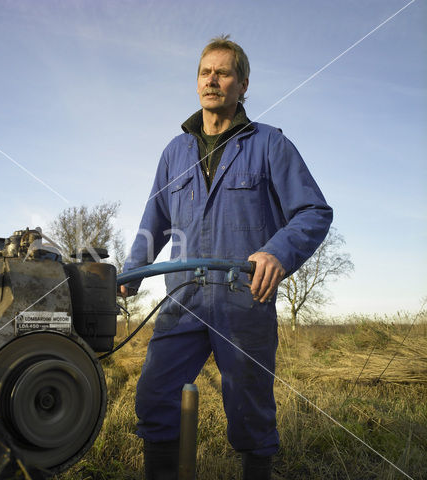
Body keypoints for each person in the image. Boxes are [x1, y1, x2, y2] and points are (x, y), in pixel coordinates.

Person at [119, 35, 332, 480]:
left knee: (250, 411)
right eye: (205, 72)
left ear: (243, 84)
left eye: (223, 72)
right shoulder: (174, 153)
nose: (212, 80)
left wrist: (277, 253)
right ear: (197, 83)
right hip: (182, 298)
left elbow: (314, 211)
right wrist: (129, 274)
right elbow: (154, 219)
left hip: (243, 298)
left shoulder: (270, 144)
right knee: (155, 399)